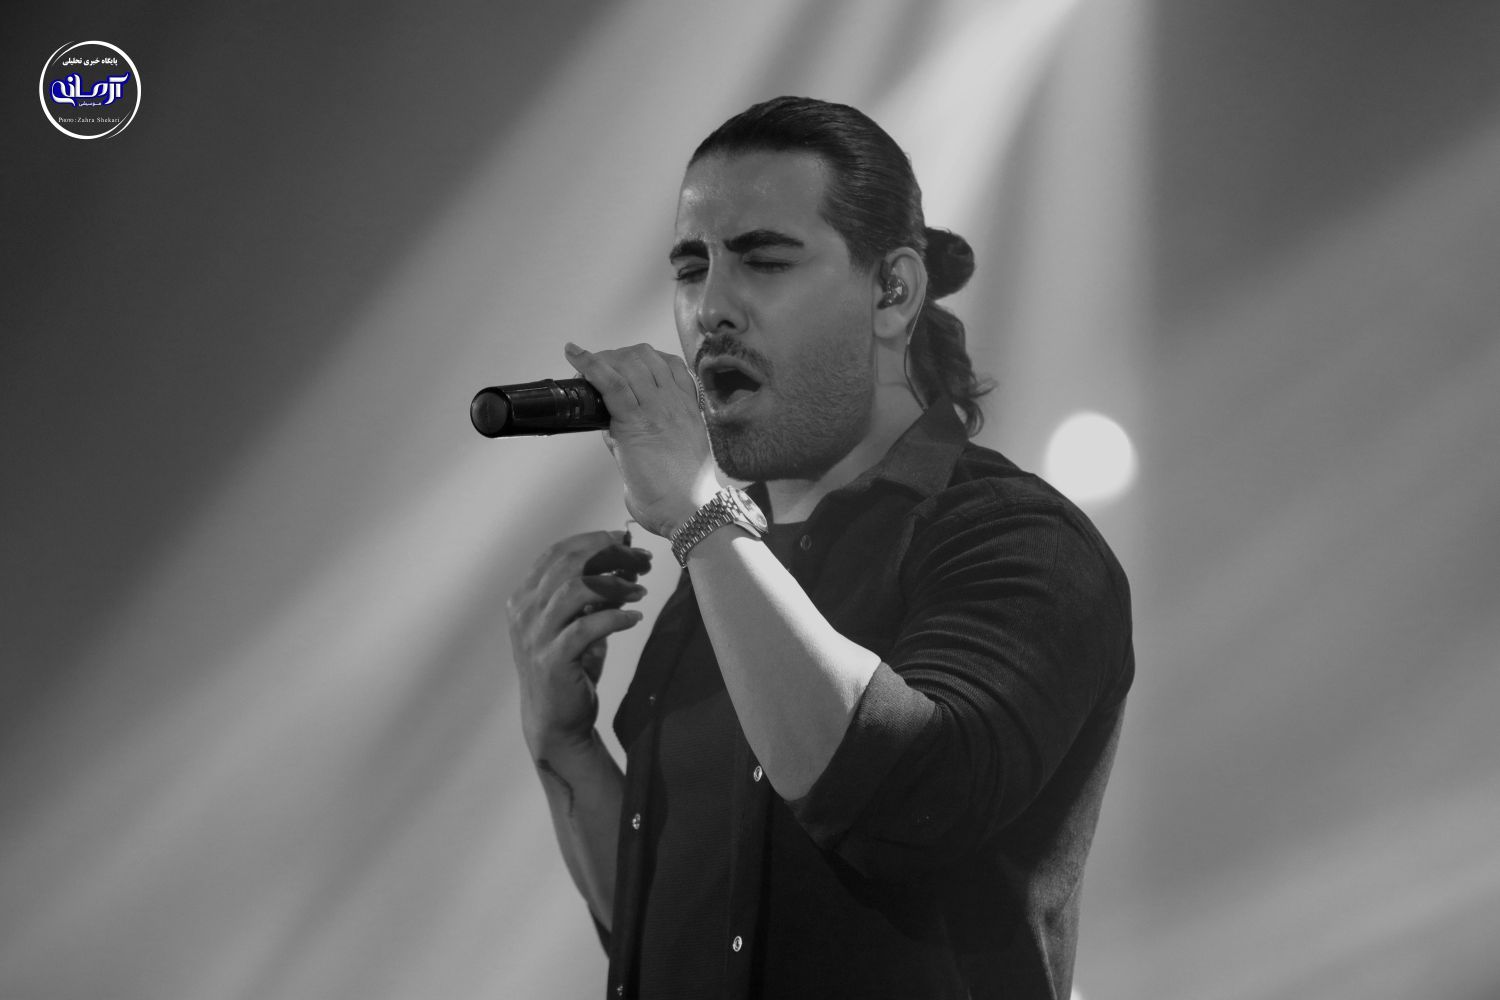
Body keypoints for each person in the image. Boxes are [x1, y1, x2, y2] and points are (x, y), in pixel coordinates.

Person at [507, 96, 1133, 1000]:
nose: (711, 308)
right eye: (692, 267)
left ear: (893, 293)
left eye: (764, 261)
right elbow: (674, 928)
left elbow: (900, 802)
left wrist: (702, 517)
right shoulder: (727, 558)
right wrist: (563, 744)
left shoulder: (1019, 542)